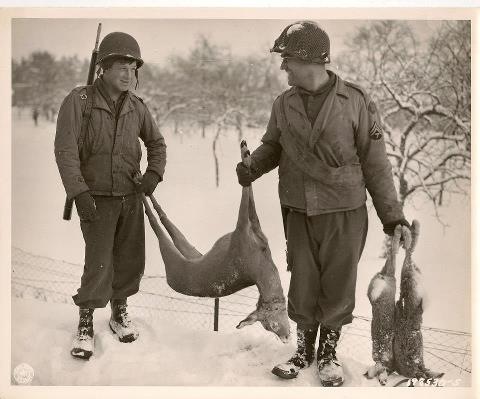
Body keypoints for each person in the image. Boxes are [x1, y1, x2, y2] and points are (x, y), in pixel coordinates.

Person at [235, 21, 409, 386]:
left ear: (309, 60)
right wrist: (253, 166)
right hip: (299, 211)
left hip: (344, 213)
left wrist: (392, 217)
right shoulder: (283, 104)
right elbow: (273, 146)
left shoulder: (356, 102)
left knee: (337, 284)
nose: (283, 67)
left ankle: (328, 353)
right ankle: (303, 350)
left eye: (287, 59)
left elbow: (376, 165)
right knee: (303, 283)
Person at [54, 32, 167, 360]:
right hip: (96, 198)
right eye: (120, 67)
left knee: (130, 260)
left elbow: (157, 144)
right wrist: (79, 192)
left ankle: (119, 312)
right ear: (102, 68)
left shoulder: (137, 106)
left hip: (130, 196)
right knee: (99, 263)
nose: (128, 74)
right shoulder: (80, 101)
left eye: (133, 68)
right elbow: (65, 151)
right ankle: (86, 322)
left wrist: (153, 176)